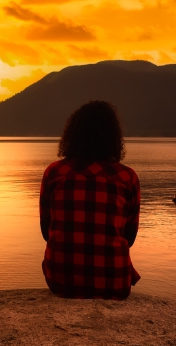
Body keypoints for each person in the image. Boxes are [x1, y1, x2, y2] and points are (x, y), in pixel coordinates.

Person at [40, 100, 141, 300]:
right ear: (113, 138)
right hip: (115, 283)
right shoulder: (127, 177)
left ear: (72, 135)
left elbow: (46, 231)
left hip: (61, 281)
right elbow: (129, 238)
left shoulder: (55, 173)